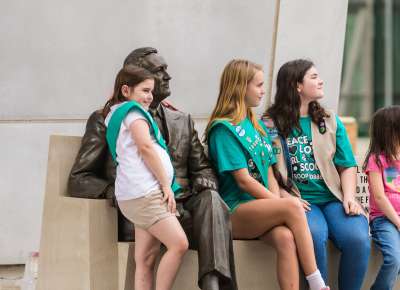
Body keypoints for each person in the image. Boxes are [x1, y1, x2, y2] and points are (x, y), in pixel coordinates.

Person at [68, 47, 237, 290]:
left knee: (211, 199)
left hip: (180, 204)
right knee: (172, 245)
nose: (167, 77)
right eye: (159, 72)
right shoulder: (109, 117)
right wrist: (114, 191)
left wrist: (204, 180)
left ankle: (214, 283)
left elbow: (203, 168)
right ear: (131, 83)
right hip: (144, 202)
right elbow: (79, 178)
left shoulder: (182, 119)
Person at [205, 59, 329, 290]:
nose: (264, 91)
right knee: (291, 206)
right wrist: (280, 204)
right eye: (259, 85)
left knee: (285, 238)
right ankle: (317, 283)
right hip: (234, 210)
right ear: (242, 88)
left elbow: (271, 175)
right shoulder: (223, 129)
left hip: (260, 207)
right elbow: (243, 181)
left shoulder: (256, 124)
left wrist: (276, 204)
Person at [263, 59, 370, 290]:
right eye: (313, 77)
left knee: (358, 239)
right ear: (296, 85)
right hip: (299, 201)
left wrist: (350, 197)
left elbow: (347, 164)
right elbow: (265, 170)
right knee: (313, 236)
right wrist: (284, 196)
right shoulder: (269, 123)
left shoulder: (330, 119)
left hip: (333, 198)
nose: (321, 81)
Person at [103, 65, 188, 290]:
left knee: (145, 260)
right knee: (179, 244)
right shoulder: (131, 112)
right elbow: (145, 147)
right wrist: (165, 186)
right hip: (145, 193)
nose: (150, 97)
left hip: (135, 194)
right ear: (126, 90)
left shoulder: (118, 112)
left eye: (151, 91)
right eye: (144, 90)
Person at [363, 105, 400, 290]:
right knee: (394, 259)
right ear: (391, 131)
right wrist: (398, 222)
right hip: (384, 220)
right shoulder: (376, 160)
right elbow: (379, 196)